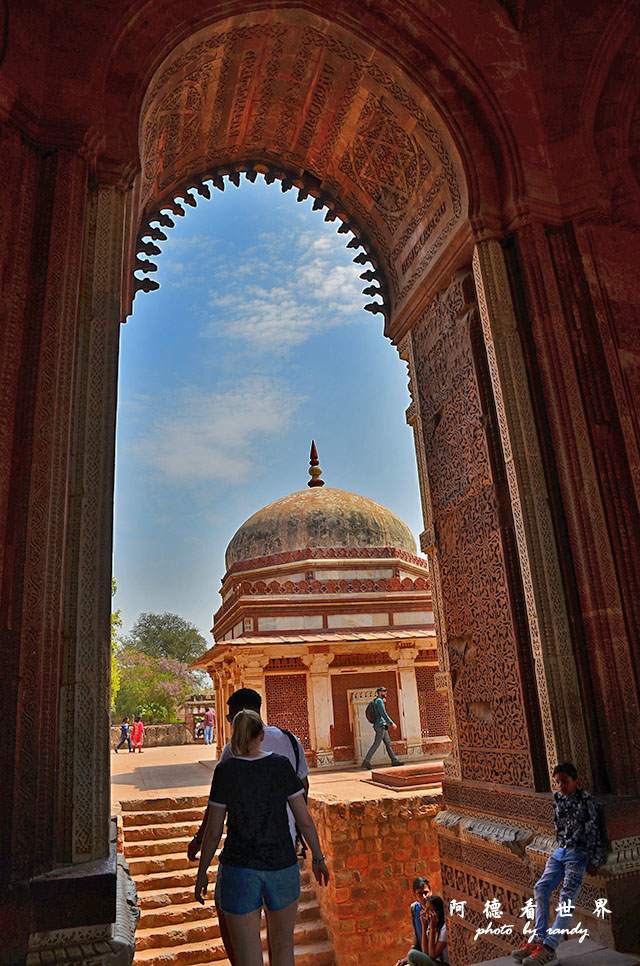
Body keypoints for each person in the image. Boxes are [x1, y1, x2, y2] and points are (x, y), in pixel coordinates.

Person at [195, 709, 329, 966]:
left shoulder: (225, 771)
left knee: (247, 959)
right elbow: (304, 820)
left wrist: (202, 872)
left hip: (238, 869)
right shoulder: (280, 765)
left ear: (235, 735)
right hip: (282, 865)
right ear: (260, 735)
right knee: (283, 951)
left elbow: (213, 831)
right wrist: (318, 857)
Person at [512, 762, 607, 966]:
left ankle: (549, 947)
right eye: (558, 782)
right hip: (560, 851)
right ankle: (538, 940)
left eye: (565, 781)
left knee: (566, 899)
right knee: (541, 888)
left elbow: (594, 831)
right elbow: (559, 828)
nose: (561, 786)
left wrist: (594, 859)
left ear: (576, 781)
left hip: (578, 854)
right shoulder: (558, 799)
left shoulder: (586, 801)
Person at [395, 877, 432, 966]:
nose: (423, 897)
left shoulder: (436, 910)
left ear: (431, 892)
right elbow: (417, 937)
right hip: (420, 956)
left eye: (425, 893)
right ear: (414, 895)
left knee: (412, 955)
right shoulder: (415, 909)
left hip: (433, 958)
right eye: (419, 894)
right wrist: (407, 959)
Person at [362, 685, 402, 768]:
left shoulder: (379, 700)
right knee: (376, 743)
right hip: (380, 726)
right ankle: (366, 761)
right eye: (384, 691)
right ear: (380, 692)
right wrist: (392, 723)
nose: (386, 692)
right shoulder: (379, 701)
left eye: (385, 691)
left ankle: (394, 760)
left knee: (388, 743)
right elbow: (383, 713)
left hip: (382, 725)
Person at [408, 895, 449, 965]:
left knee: (412, 954)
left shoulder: (444, 928)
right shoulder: (431, 925)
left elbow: (432, 955)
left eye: (429, 909)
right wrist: (424, 926)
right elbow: (425, 952)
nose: (426, 911)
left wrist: (432, 929)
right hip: (433, 961)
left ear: (437, 912)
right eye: (425, 908)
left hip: (442, 964)